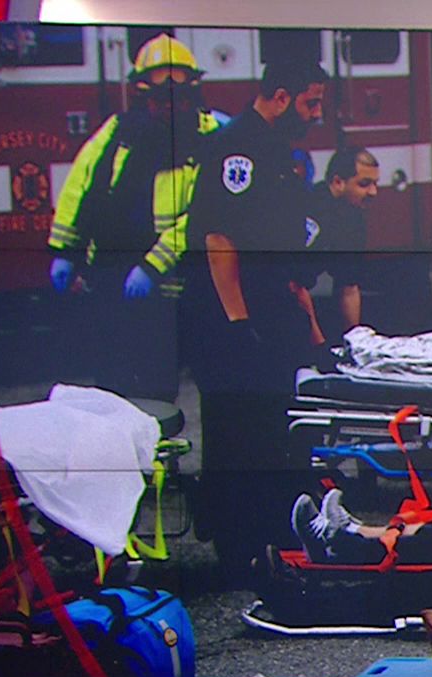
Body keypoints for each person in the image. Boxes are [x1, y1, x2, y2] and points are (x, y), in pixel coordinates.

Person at [182, 58, 330, 584]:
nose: (317, 113)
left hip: (271, 315)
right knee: (235, 435)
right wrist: (237, 322)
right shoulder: (236, 148)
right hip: (233, 322)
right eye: (311, 102)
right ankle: (237, 549)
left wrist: (308, 323)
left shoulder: (276, 150)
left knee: (273, 429)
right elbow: (219, 238)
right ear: (282, 96)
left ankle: (274, 538)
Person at [46, 33, 220, 398]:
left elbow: (202, 216)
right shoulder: (118, 129)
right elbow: (81, 183)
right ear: (142, 96)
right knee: (111, 386)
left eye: (178, 97)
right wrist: (65, 251)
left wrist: (152, 267)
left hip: (167, 287)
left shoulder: (210, 138)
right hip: (111, 279)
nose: (168, 106)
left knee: (158, 391)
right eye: (158, 98)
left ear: (192, 94)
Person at [304, 146, 380, 336]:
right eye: (364, 184)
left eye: (375, 184)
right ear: (338, 182)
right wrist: (317, 341)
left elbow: (349, 287)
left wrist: (353, 341)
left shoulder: (354, 216)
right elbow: (293, 284)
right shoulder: (308, 208)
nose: (373, 192)